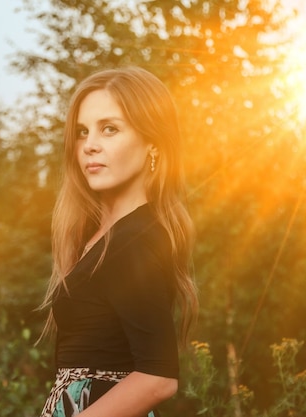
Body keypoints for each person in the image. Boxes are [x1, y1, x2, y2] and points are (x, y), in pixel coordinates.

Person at [39, 66, 198, 417]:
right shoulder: (100, 236)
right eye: (82, 132)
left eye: (109, 129)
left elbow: (158, 377)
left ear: (152, 144)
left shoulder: (135, 240)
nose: (89, 145)